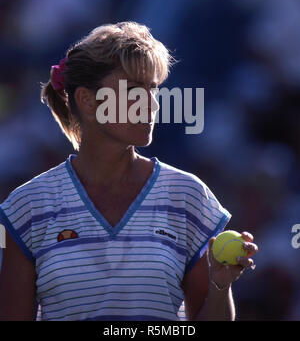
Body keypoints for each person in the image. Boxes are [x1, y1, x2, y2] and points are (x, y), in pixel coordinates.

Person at [0, 21, 258, 321]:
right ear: (87, 100)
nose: (150, 103)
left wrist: (219, 285)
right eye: (134, 90)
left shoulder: (188, 196)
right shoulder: (27, 206)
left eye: (153, 89)